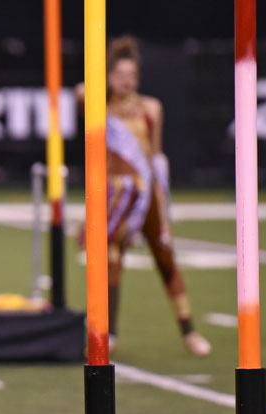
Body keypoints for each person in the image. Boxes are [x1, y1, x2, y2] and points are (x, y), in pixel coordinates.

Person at [79, 36, 210, 357]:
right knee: (111, 260)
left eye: (132, 75)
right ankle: (109, 333)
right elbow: (81, 90)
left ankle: (189, 330)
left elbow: (156, 156)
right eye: (120, 74)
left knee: (165, 257)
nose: (127, 81)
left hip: (146, 194)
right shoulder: (98, 105)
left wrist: (163, 204)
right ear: (109, 76)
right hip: (115, 195)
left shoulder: (151, 108)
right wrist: (106, 72)